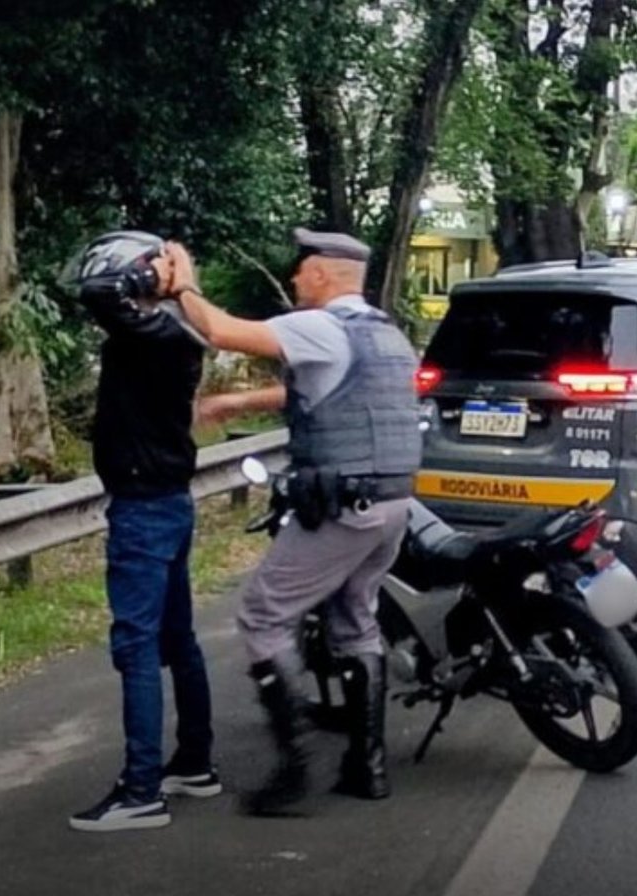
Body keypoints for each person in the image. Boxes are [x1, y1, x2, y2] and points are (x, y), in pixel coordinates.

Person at [162, 227, 422, 816]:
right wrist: (239, 404)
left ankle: (294, 768)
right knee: (357, 621)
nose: (294, 277)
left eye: (302, 268)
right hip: (392, 507)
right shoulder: (384, 334)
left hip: (342, 508)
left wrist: (185, 284)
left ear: (325, 275)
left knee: (263, 614)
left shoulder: (319, 325)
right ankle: (367, 766)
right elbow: (321, 390)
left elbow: (220, 331)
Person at [65, 232, 220, 833]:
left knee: (137, 648)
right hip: (167, 503)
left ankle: (141, 789)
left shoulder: (160, 331)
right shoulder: (167, 331)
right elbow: (104, 296)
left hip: (145, 509)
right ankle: (195, 763)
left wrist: (161, 273)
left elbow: (100, 291)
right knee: (177, 638)